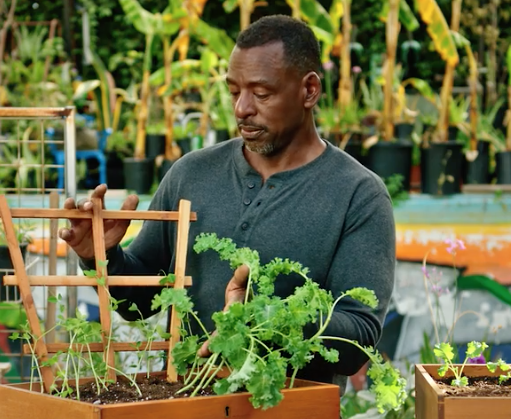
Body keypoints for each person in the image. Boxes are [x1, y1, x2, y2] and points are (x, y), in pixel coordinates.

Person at [58, 14, 396, 389]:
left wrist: (264, 318)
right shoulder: (191, 174)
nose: (241, 109)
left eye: (261, 93)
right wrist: (101, 258)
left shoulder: (358, 195)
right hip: (184, 409)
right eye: (234, 91)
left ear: (309, 91)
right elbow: (139, 302)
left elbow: (359, 338)